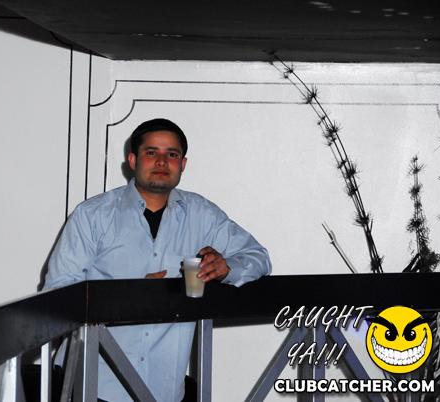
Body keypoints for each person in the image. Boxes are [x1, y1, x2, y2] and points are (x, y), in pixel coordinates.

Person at [44, 118, 271, 401]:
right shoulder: (92, 215)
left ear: (183, 164)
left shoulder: (202, 214)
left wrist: (228, 268)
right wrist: (128, 296)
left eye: (171, 154)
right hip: (94, 384)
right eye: (151, 152)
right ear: (133, 160)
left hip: (164, 388)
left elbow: (259, 257)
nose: (162, 161)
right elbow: (58, 293)